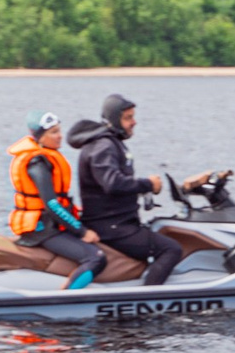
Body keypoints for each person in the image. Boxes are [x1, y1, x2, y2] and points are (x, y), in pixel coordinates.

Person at [66, 94, 220, 287]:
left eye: (133, 117)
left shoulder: (110, 143)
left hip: (118, 223)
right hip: (112, 229)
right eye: (128, 118)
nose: (134, 122)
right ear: (114, 120)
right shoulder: (103, 146)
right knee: (170, 249)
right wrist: (147, 184)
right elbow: (112, 183)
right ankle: (148, 299)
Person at [6, 110, 101, 291]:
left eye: (59, 130)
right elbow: (51, 205)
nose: (60, 136)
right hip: (42, 230)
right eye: (54, 132)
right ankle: (66, 297)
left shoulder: (46, 156)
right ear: (41, 137)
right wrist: (82, 232)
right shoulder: (38, 163)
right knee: (95, 257)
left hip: (48, 225)